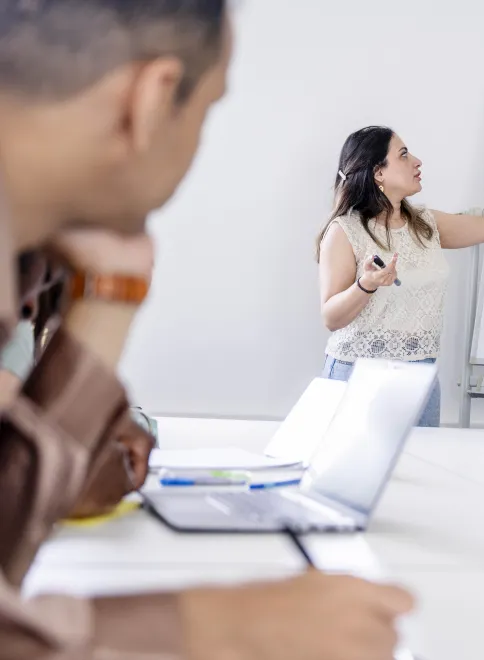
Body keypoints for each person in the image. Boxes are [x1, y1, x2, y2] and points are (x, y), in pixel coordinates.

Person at [0, 3, 411, 659]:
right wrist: (218, 628)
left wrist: (109, 299)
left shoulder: (35, 254)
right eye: (208, 110)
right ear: (152, 97)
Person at [316, 126, 484, 426]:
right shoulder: (345, 231)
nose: (417, 161)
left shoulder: (425, 224)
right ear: (378, 173)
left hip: (420, 376)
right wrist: (365, 285)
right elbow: (331, 317)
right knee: (357, 472)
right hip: (358, 376)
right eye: (404, 155)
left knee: (422, 468)